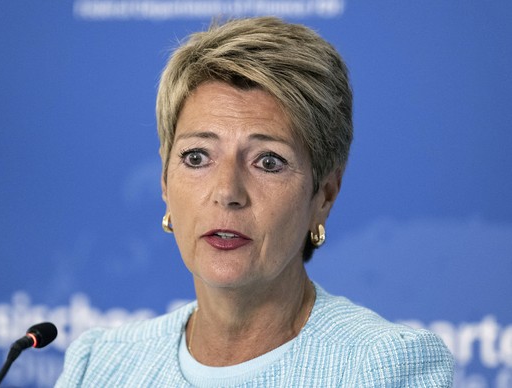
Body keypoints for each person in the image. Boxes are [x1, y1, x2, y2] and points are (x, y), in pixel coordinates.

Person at [55, 17, 454, 387]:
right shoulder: (101, 364)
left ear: (325, 194)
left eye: (268, 161)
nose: (227, 192)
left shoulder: (382, 367)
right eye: (197, 157)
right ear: (164, 179)